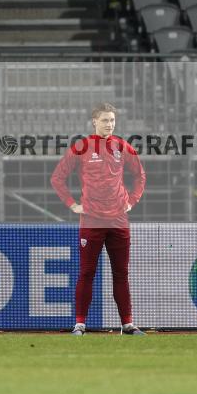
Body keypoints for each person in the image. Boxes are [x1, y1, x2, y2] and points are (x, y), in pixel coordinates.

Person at [50, 103, 146, 336]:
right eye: (105, 120)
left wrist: (131, 201)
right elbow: (57, 178)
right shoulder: (81, 147)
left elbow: (140, 175)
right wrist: (72, 205)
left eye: (112, 120)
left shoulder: (122, 146)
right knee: (86, 273)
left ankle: (127, 324)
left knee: (121, 273)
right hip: (91, 220)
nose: (109, 124)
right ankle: (80, 324)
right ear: (94, 122)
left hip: (118, 221)